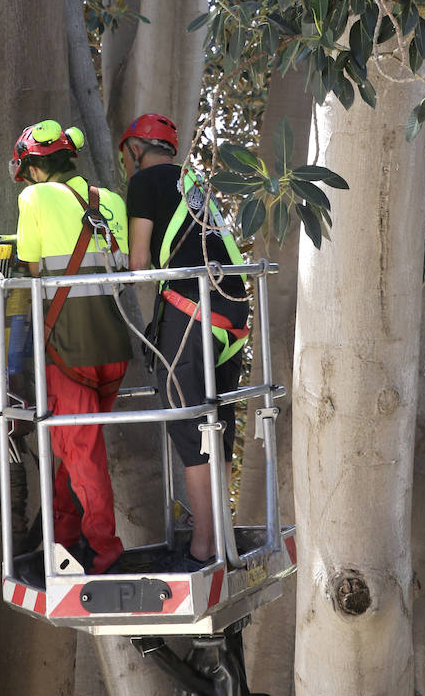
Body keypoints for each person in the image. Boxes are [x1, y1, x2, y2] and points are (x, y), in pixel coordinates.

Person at [120, 113, 249, 568]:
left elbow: (139, 264)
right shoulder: (195, 185)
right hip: (230, 308)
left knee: (188, 422)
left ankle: (203, 547)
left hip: (189, 308)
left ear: (136, 149)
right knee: (218, 422)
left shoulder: (143, 183)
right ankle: (221, 536)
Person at [11, 118, 130, 574]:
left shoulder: (34, 198)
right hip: (114, 350)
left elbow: (31, 267)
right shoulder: (112, 200)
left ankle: (106, 552)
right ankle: (61, 542)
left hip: (68, 351)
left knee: (81, 456)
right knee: (70, 452)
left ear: (35, 169)